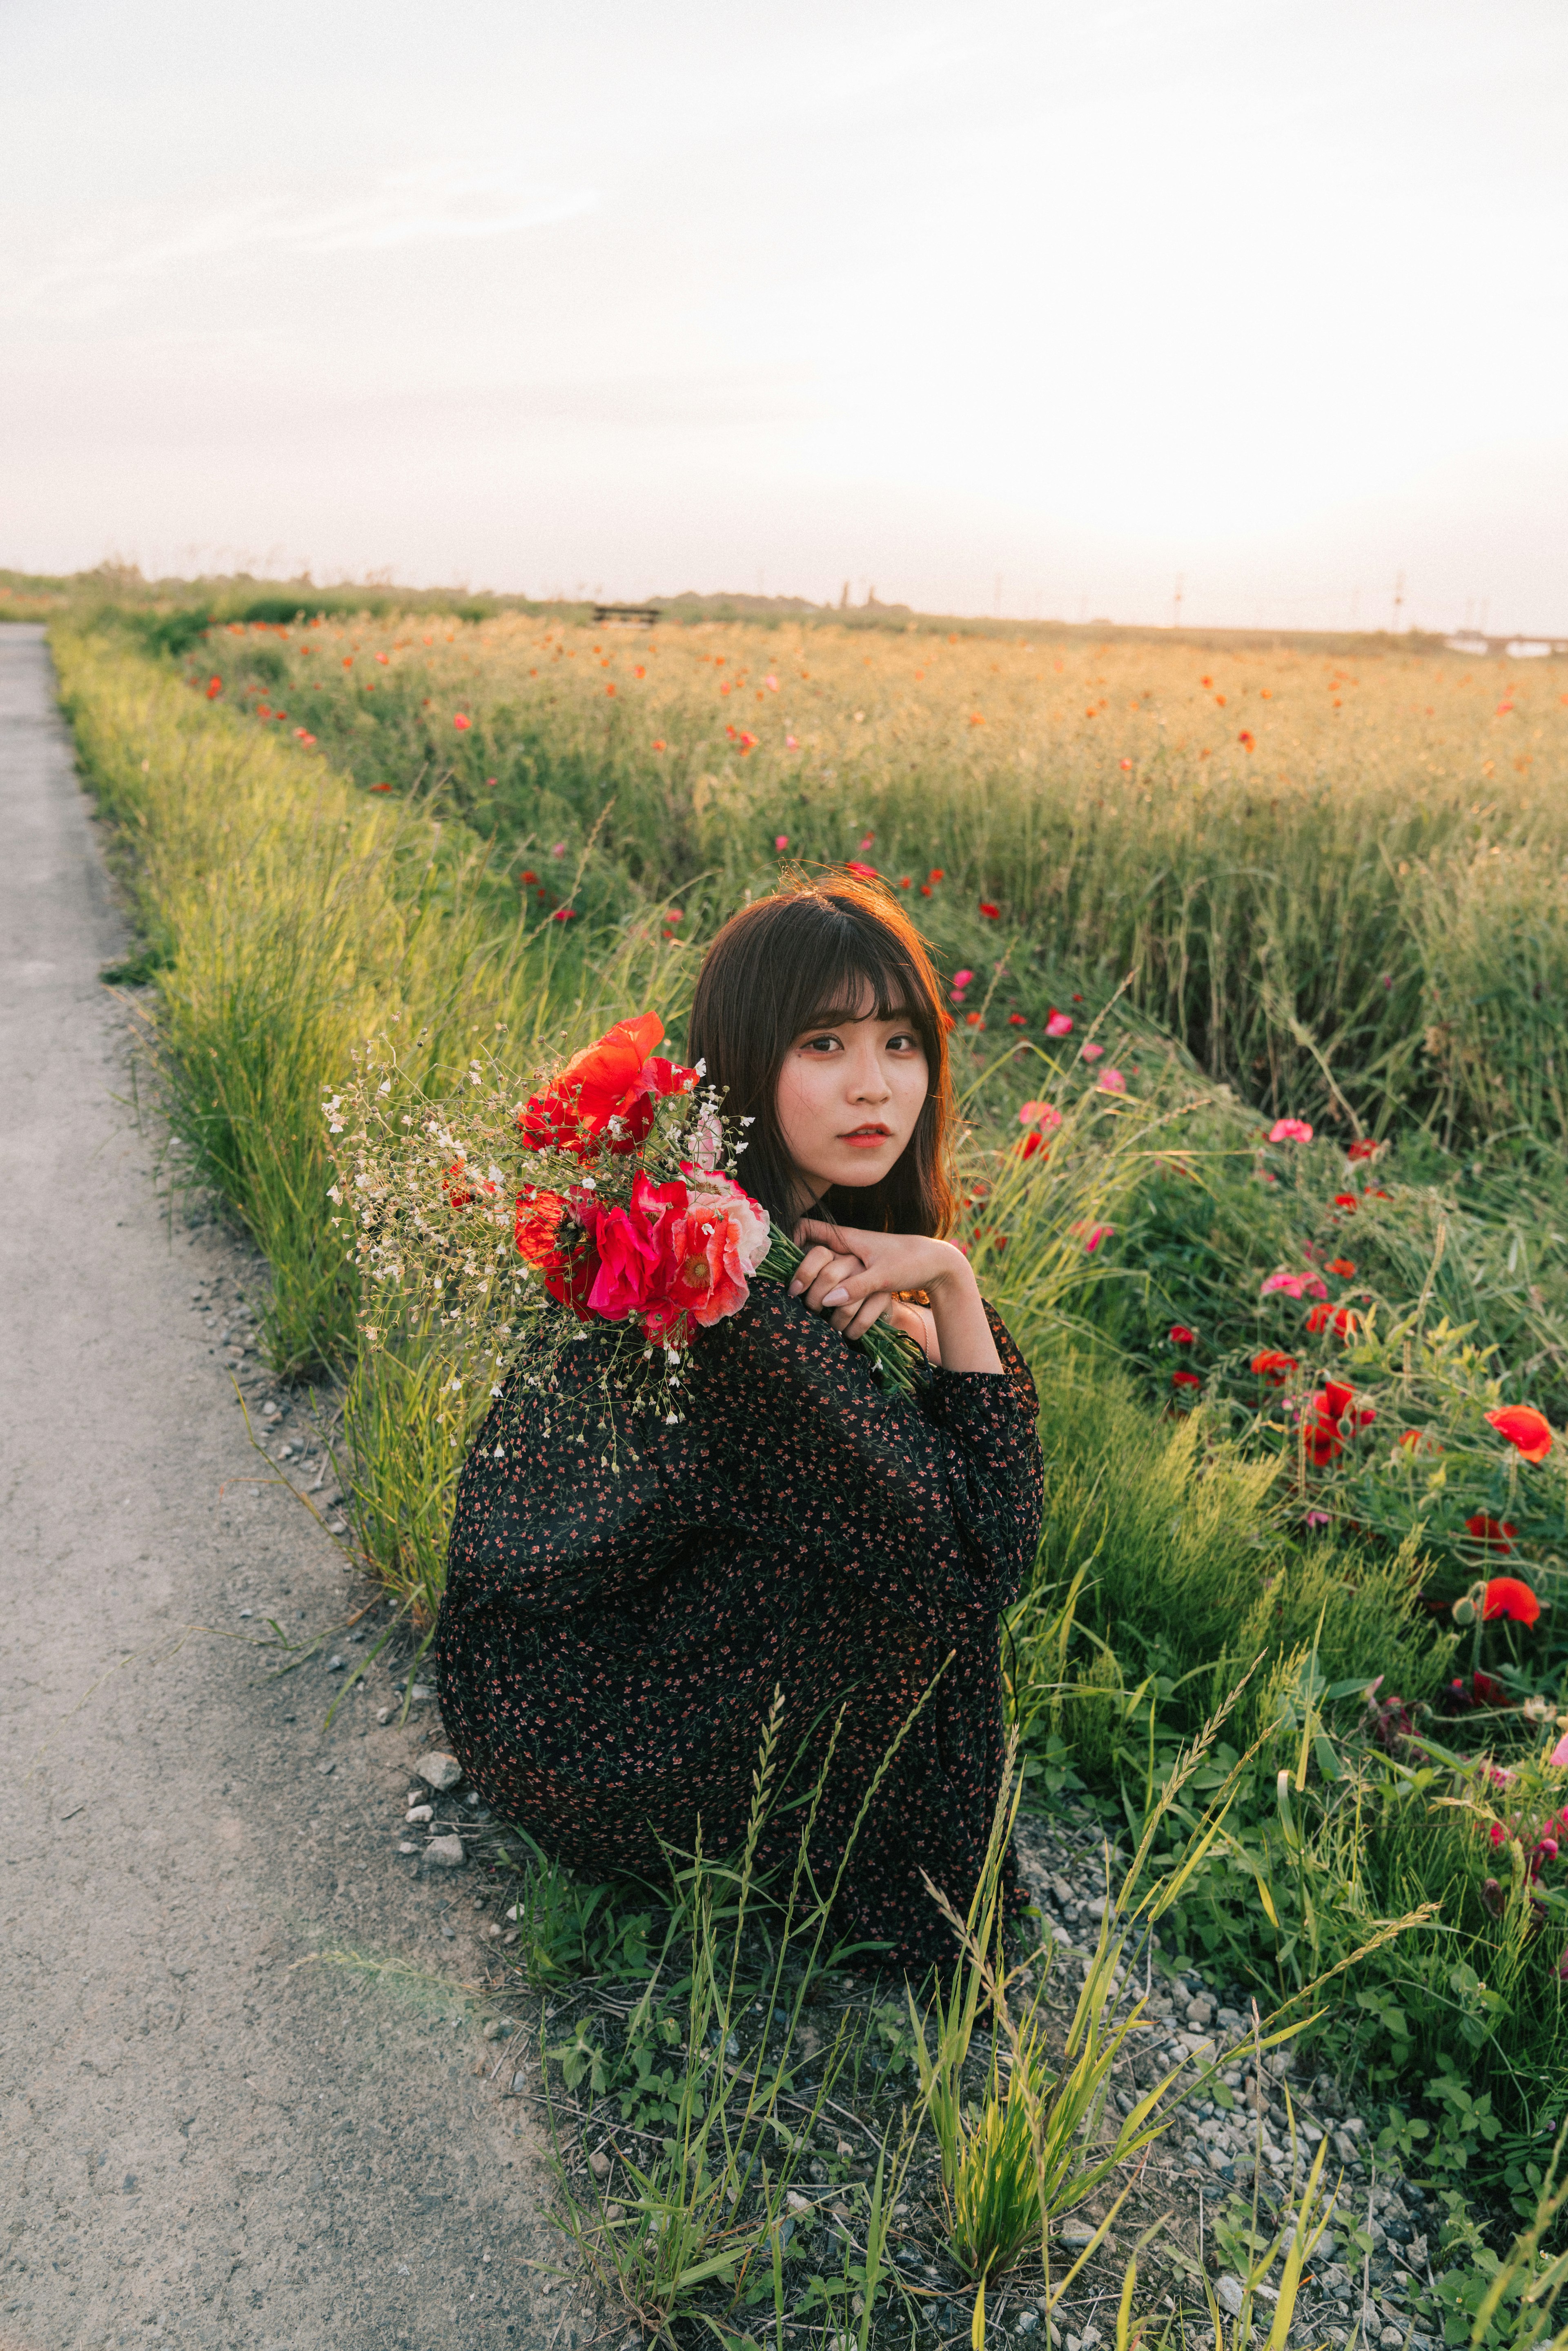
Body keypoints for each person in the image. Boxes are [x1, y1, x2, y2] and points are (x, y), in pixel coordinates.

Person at [434, 873, 1043, 1967]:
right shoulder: (737, 1293)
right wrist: (951, 1284)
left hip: (539, 1678)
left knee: (885, 1537)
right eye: (825, 1044)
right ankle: (909, 1926)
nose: (875, 1089)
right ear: (748, 1058)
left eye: (901, 1044)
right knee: (911, 1589)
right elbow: (982, 1563)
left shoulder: (729, 1210)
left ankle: (866, 1866)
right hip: (579, 1738)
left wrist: (923, 1305)